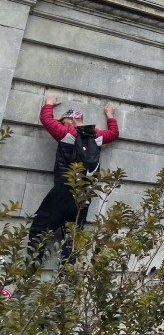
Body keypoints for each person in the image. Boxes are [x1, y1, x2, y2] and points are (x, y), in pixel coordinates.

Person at [28, 94, 119, 264]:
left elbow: (46, 120)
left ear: (71, 120)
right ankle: (66, 277)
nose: (61, 124)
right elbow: (114, 133)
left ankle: (30, 271)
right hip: (84, 194)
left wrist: (49, 103)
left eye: (63, 120)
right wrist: (110, 115)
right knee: (72, 236)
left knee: (39, 228)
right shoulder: (96, 136)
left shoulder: (67, 133)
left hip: (64, 189)